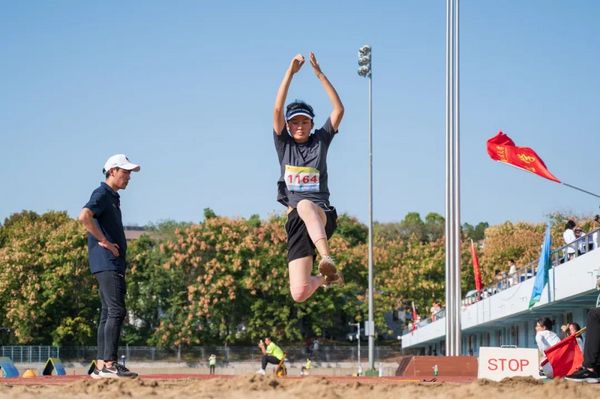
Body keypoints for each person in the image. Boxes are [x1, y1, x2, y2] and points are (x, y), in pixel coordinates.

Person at [273, 52, 345, 303]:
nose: (300, 125)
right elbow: (278, 109)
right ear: (289, 127)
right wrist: (290, 73)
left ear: (312, 124)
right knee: (299, 293)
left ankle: (326, 257)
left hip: (321, 213)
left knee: (304, 204)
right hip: (296, 223)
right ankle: (328, 277)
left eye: (305, 121)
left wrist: (319, 75)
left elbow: (338, 109)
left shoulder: (320, 142)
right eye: (295, 123)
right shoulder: (284, 145)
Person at [79, 154, 140, 379]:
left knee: (107, 312)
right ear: (112, 171)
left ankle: (101, 365)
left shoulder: (112, 197)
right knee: (116, 310)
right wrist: (103, 241)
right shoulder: (102, 193)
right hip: (107, 262)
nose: (129, 177)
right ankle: (110, 365)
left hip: (107, 262)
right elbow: (84, 216)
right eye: (125, 172)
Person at [566, 308, 600, 383]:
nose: (570, 331)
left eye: (571, 329)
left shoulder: (578, 340)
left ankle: (591, 368)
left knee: (594, 314)